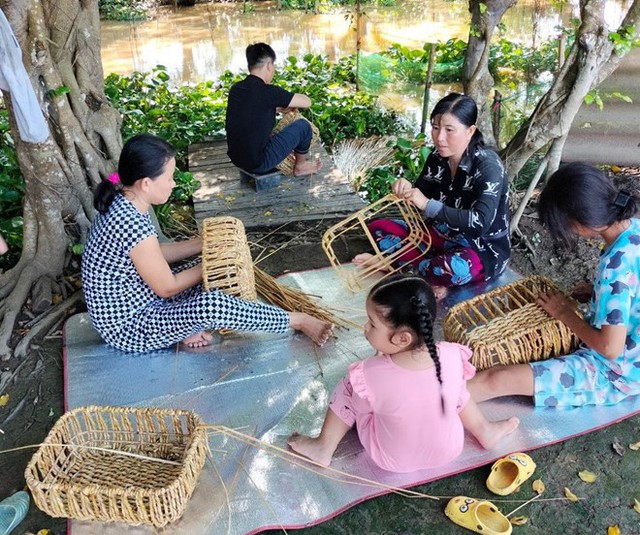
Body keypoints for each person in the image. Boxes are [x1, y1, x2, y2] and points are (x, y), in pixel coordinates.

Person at [81, 133, 333, 353]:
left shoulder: (129, 201)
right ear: (146, 183)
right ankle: (296, 320)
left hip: (141, 296)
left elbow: (153, 254)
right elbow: (167, 288)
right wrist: (212, 263)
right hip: (131, 326)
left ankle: (182, 330)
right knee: (211, 305)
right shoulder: (128, 220)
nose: (173, 183)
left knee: (209, 276)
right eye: (169, 178)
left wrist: (205, 244)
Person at [288, 274, 519, 472]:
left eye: (372, 323)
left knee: (350, 387)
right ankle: (484, 429)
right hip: (450, 450)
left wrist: (379, 372)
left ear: (402, 338)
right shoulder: (451, 355)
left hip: (391, 459)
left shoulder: (368, 374)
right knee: (455, 387)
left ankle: (324, 446)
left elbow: (365, 407)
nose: (365, 329)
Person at [468, 163, 640, 408]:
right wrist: (597, 293)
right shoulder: (634, 229)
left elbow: (609, 348)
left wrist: (562, 313)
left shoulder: (616, 266)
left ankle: (423, 405)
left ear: (580, 222)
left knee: (497, 379)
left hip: (617, 373)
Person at [353, 93, 510, 294]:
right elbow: (418, 194)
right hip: (440, 235)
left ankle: (398, 266)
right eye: (435, 128)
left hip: (479, 249)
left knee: (455, 267)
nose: (439, 137)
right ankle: (425, 274)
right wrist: (404, 188)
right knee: (378, 226)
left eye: (449, 130)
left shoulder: (489, 165)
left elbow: (479, 223)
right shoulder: (437, 158)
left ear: (470, 131)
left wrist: (427, 205)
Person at [225, 42, 322, 176]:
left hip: (237, 159)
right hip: (258, 163)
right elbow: (306, 102)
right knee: (303, 127)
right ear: (269, 66)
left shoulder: (236, 89)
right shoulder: (269, 92)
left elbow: (250, 110)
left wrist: (277, 108)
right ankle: (301, 166)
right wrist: (287, 103)